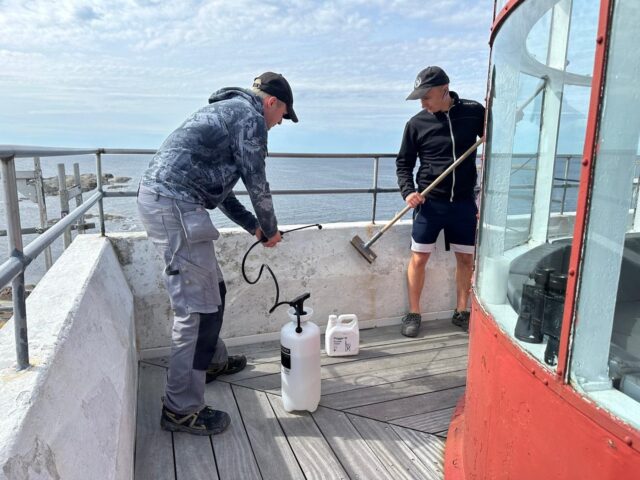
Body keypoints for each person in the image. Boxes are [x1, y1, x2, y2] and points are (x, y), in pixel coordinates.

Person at [137, 72, 298, 435]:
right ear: (271, 102)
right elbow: (257, 180)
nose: (279, 124)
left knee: (213, 294)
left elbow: (220, 189)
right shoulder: (249, 117)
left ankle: (211, 363)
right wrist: (271, 231)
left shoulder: (230, 111)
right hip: (175, 207)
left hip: (173, 203)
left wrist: (253, 226)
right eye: (282, 115)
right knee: (196, 311)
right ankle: (180, 409)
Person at [396, 66, 485, 337]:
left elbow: (494, 134)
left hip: (463, 202)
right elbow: (404, 163)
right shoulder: (416, 124)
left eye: (426, 96)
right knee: (419, 257)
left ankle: (461, 311)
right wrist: (408, 191)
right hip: (429, 203)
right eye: (420, 98)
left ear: (444, 90)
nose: (423, 102)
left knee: (466, 259)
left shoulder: (473, 111)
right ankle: (413, 313)